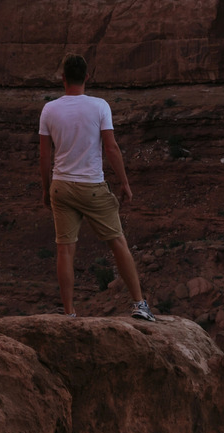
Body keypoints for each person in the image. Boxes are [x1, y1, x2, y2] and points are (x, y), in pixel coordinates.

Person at [38, 53, 154, 320]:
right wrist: (124, 183)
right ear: (87, 77)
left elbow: (45, 155)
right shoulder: (100, 106)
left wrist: (45, 190)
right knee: (118, 243)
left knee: (65, 249)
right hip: (92, 186)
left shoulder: (49, 109)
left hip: (62, 186)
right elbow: (111, 148)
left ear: (63, 78)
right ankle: (139, 305)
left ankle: (69, 312)